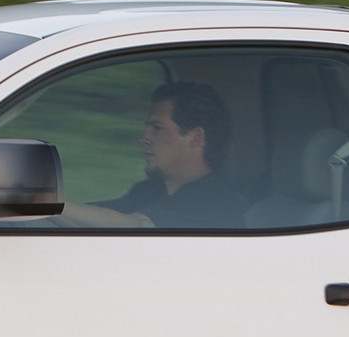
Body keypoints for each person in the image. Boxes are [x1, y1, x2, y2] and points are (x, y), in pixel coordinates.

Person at [63, 81, 246, 228]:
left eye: (157, 128)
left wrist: (53, 204)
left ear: (196, 138)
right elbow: (91, 221)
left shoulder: (215, 201)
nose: (143, 138)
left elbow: (133, 226)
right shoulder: (151, 190)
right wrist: (50, 209)